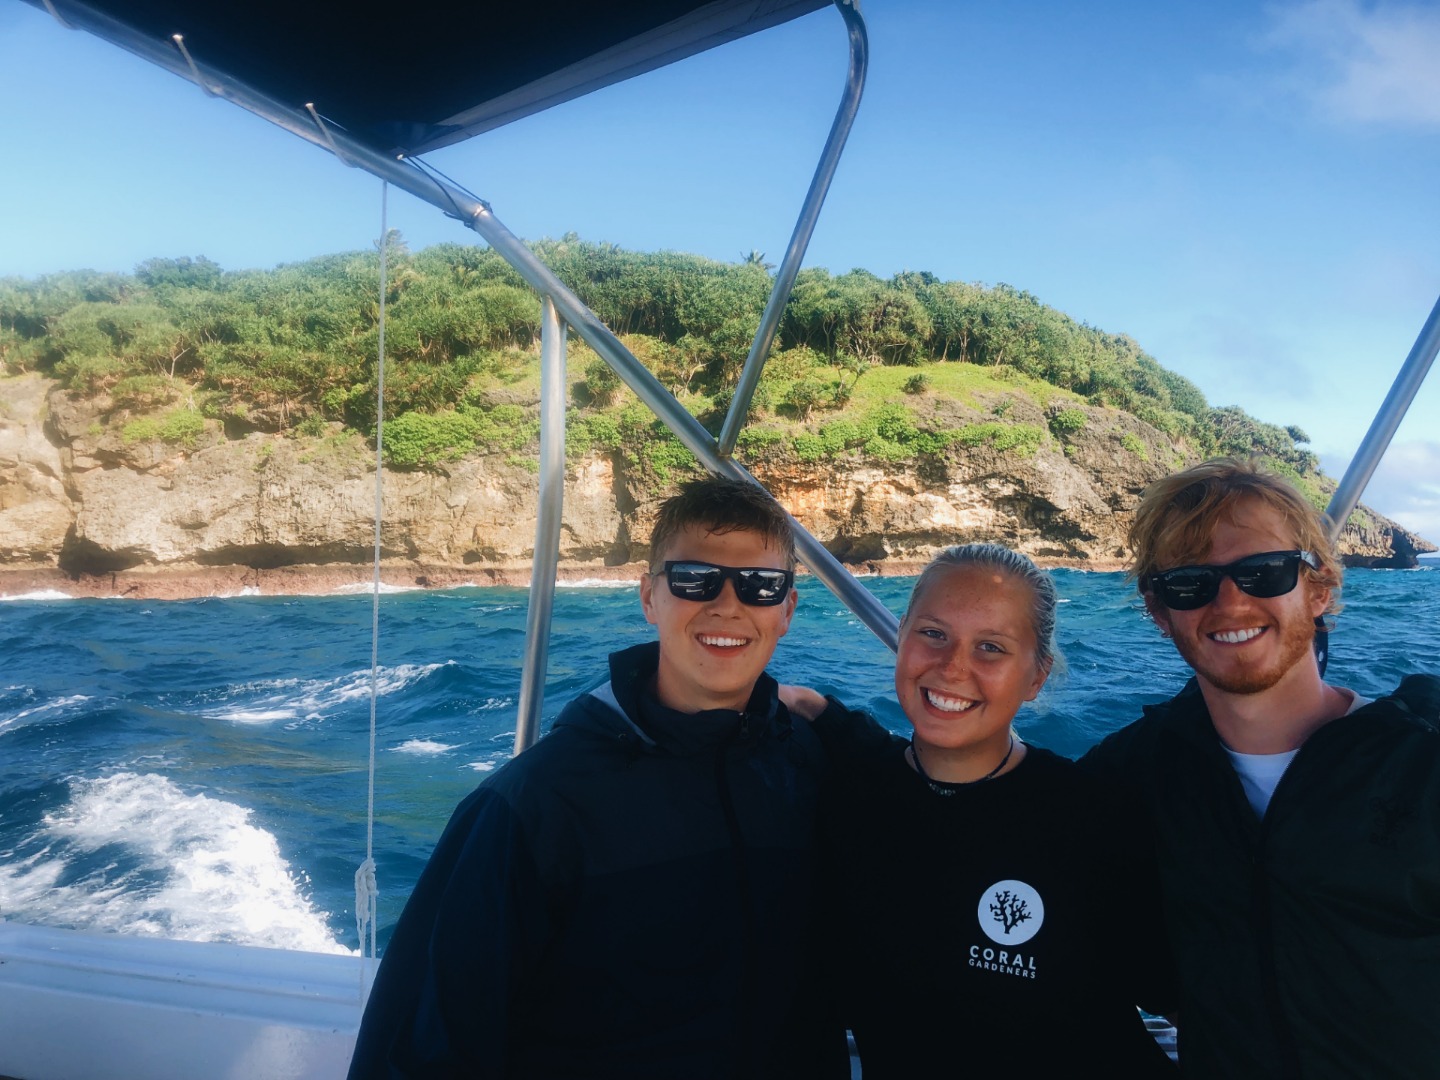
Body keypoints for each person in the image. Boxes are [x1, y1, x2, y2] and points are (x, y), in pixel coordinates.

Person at [348, 475, 835, 1079]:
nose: (728, 605)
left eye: (760, 584)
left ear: (787, 609)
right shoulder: (532, 805)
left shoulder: (814, 767)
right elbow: (426, 1046)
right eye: (695, 579)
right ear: (649, 597)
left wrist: (834, 721)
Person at [1080, 457, 1440, 1078]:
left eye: (1263, 571)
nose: (1230, 602)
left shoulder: (1422, 761)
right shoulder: (1126, 778)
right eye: (1189, 583)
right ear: (1160, 612)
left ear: (1319, 588)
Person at [788, 543, 1177, 1076]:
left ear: (1036, 677)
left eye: (991, 647)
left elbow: (1181, 999)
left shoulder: (1092, 821)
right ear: (902, 637)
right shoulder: (845, 795)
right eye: (933, 634)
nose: (952, 667)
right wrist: (812, 706)